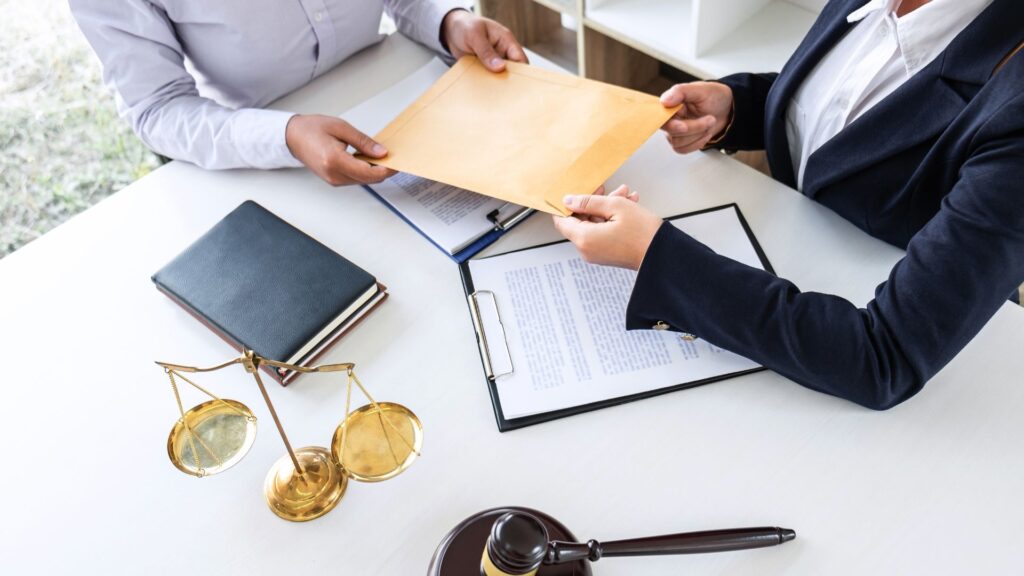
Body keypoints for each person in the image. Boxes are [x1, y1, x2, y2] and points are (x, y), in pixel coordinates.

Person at [554, 0, 1024, 410]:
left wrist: (654, 256)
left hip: (854, 352)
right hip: (787, 264)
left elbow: (885, 359)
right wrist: (737, 107)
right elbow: (853, 107)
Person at [69, 0, 526, 186]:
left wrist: (449, 21)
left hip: (403, 88)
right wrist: (284, 136)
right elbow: (157, 108)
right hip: (261, 157)